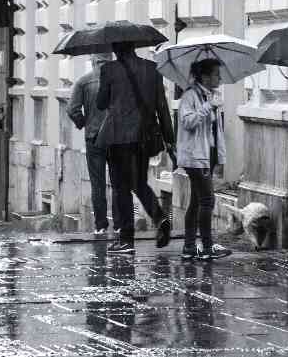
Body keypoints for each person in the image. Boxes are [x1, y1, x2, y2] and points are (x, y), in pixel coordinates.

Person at [96, 42, 175, 254]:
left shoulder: (108, 69)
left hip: (118, 137)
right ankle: (160, 218)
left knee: (121, 187)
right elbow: (162, 108)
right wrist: (170, 139)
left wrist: (105, 86)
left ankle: (126, 239)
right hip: (144, 136)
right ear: (134, 47)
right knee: (139, 182)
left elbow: (101, 103)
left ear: (116, 49)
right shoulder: (152, 68)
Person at [175, 58, 232, 262]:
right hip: (194, 157)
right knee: (207, 200)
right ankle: (207, 247)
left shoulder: (208, 95)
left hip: (204, 156)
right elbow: (188, 122)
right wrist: (209, 106)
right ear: (205, 77)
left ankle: (189, 247)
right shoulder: (190, 96)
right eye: (216, 74)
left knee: (196, 202)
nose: (220, 77)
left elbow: (213, 131)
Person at [68, 52, 117, 235]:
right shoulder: (119, 81)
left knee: (98, 184)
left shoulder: (83, 81)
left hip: (94, 137)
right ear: (110, 60)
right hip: (116, 138)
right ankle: (119, 224)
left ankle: (101, 225)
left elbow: (72, 109)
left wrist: (83, 122)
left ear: (94, 60)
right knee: (118, 182)